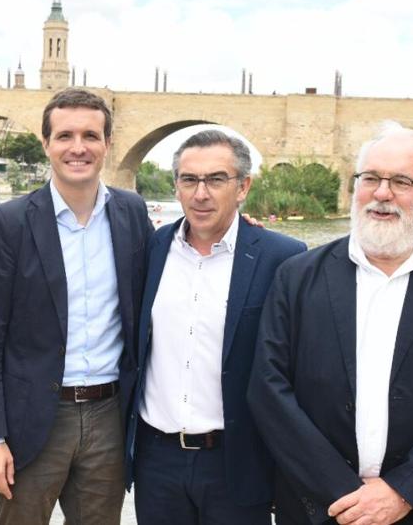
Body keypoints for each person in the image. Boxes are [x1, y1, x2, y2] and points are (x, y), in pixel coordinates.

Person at [248, 121, 413, 524]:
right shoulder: (297, 277)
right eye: (371, 178)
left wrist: (404, 491)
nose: (382, 193)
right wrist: (343, 495)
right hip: (319, 509)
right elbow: (269, 390)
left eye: (402, 181)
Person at [0, 87, 153, 524]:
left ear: (107, 144)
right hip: (32, 420)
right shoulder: (10, 223)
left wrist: (232, 231)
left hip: (110, 415)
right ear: (47, 143)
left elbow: (174, 260)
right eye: (65, 135)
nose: (78, 147)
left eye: (91, 135)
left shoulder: (131, 213)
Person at [125, 130, 306, 524]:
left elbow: (297, 367)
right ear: (176, 187)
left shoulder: (283, 258)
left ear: (243, 187)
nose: (200, 194)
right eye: (189, 180)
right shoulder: (151, 250)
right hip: (157, 462)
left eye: (216, 180)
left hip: (238, 462)